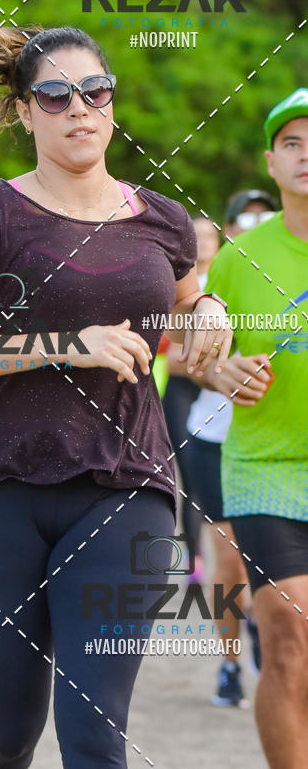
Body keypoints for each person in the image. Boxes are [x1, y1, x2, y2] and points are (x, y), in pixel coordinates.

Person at [0, 10, 232, 768]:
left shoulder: (165, 220)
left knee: (92, 730)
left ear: (112, 103)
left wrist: (210, 311)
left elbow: (186, 313)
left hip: (129, 485)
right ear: (24, 112)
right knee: (10, 731)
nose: (78, 108)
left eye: (95, 90)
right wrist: (64, 346)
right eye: (55, 97)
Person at [196, 89, 308, 768]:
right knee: (290, 634)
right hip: (264, 466)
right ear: (270, 162)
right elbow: (197, 356)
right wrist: (223, 373)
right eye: (292, 143)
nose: (307, 156)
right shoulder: (239, 259)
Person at [186, 191, 278, 707]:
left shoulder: (290, 275)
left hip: (278, 446)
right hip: (216, 439)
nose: (256, 224)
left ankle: (270, 635)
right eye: (245, 217)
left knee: (270, 564)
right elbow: (182, 359)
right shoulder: (207, 285)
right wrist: (221, 369)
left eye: (264, 216)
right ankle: (229, 662)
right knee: (232, 562)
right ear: (229, 228)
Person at [162, 216, 221, 584]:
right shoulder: (174, 287)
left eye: (208, 236)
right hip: (183, 390)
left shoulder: (231, 278)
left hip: (221, 393)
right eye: (195, 237)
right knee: (188, 481)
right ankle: (188, 558)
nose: (202, 242)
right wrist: (213, 361)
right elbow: (172, 357)